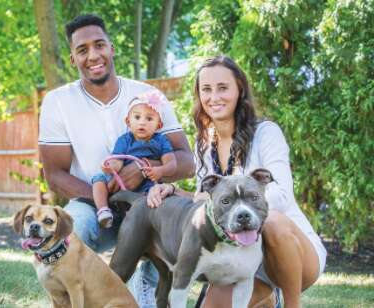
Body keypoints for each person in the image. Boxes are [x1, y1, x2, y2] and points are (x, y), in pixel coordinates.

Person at [38, 14, 195, 307]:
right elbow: (55, 175)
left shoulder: (147, 96)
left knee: (174, 219)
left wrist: (148, 172)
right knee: (70, 231)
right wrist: (106, 200)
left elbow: (187, 161)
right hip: (92, 203)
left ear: (111, 48)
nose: (93, 55)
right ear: (72, 59)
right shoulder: (57, 102)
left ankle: (147, 289)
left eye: (99, 45)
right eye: (82, 50)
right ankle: (75, 300)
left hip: (150, 203)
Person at [147, 55, 327, 308]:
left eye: (223, 88)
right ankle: (267, 298)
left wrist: (242, 204)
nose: (214, 97)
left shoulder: (266, 133)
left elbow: (282, 196)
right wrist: (174, 191)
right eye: (206, 89)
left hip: (290, 253)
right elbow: (206, 199)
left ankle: (290, 303)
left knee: (272, 220)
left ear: (239, 89)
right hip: (239, 257)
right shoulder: (204, 142)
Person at [92, 91, 177, 228]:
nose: (142, 122)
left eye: (149, 119)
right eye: (137, 117)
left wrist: (160, 171)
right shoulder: (125, 140)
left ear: (159, 125)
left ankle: (150, 220)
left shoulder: (161, 140)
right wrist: (109, 166)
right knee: (98, 178)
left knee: (156, 195)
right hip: (121, 181)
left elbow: (172, 163)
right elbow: (118, 161)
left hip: (148, 182)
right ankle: (103, 210)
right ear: (128, 121)